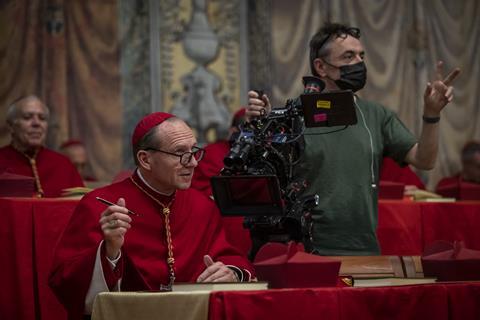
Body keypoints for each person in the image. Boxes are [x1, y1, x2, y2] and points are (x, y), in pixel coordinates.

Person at [247, 22, 460, 255]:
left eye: (361, 55)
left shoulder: (377, 115)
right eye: (348, 56)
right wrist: (261, 126)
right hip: (304, 252)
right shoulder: (291, 116)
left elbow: (425, 160)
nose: (359, 62)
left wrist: (431, 115)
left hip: (363, 250)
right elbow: (259, 183)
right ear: (321, 67)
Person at [49, 112, 255, 320]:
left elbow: (228, 255)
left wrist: (231, 272)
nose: (193, 162)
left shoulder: (202, 205)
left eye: (193, 151)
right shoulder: (98, 204)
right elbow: (66, 284)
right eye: (179, 153)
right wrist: (109, 251)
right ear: (145, 159)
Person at [191, 108, 252, 256]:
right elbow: (198, 192)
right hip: (223, 224)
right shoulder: (210, 154)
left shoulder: (265, 154)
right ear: (232, 131)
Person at [0, 95, 84, 197]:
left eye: (42, 118)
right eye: (27, 117)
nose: (36, 123)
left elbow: (81, 207)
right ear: (11, 126)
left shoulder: (63, 164)